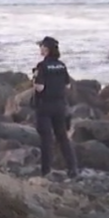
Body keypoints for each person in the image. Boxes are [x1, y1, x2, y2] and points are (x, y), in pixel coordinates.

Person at [33, 36, 78, 179]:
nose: (40, 49)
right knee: (62, 137)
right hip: (60, 105)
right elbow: (67, 85)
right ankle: (72, 168)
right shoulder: (61, 65)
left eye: (41, 46)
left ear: (46, 49)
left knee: (46, 139)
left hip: (45, 105)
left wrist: (34, 80)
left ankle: (46, 170)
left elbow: (39, 87)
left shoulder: (42, 66)